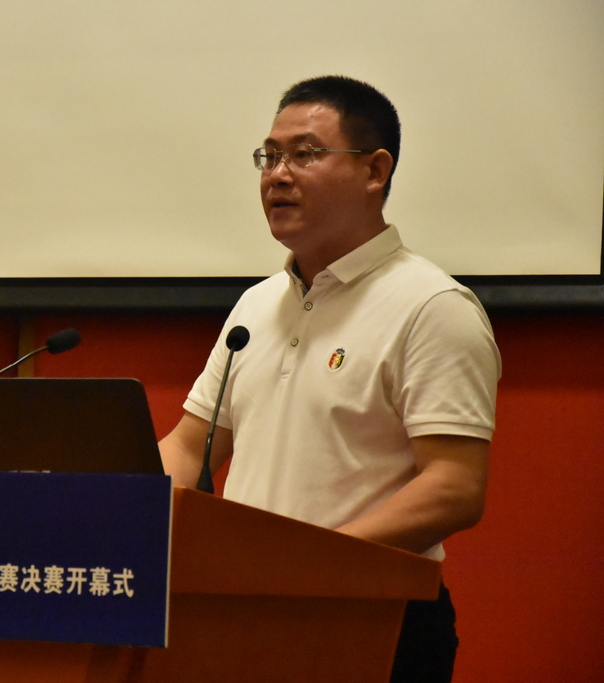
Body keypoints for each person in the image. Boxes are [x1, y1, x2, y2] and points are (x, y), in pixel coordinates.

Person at [158, 75, 500, 682]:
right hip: (244, 613)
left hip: (371, 618)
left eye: (306, 154)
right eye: (269, 156)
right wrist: (109, 509)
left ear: (375, 170)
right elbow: (190, 448)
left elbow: (454, 486)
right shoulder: (257, 304)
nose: (277, 175)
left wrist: (309, 565)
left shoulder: (431, 306)